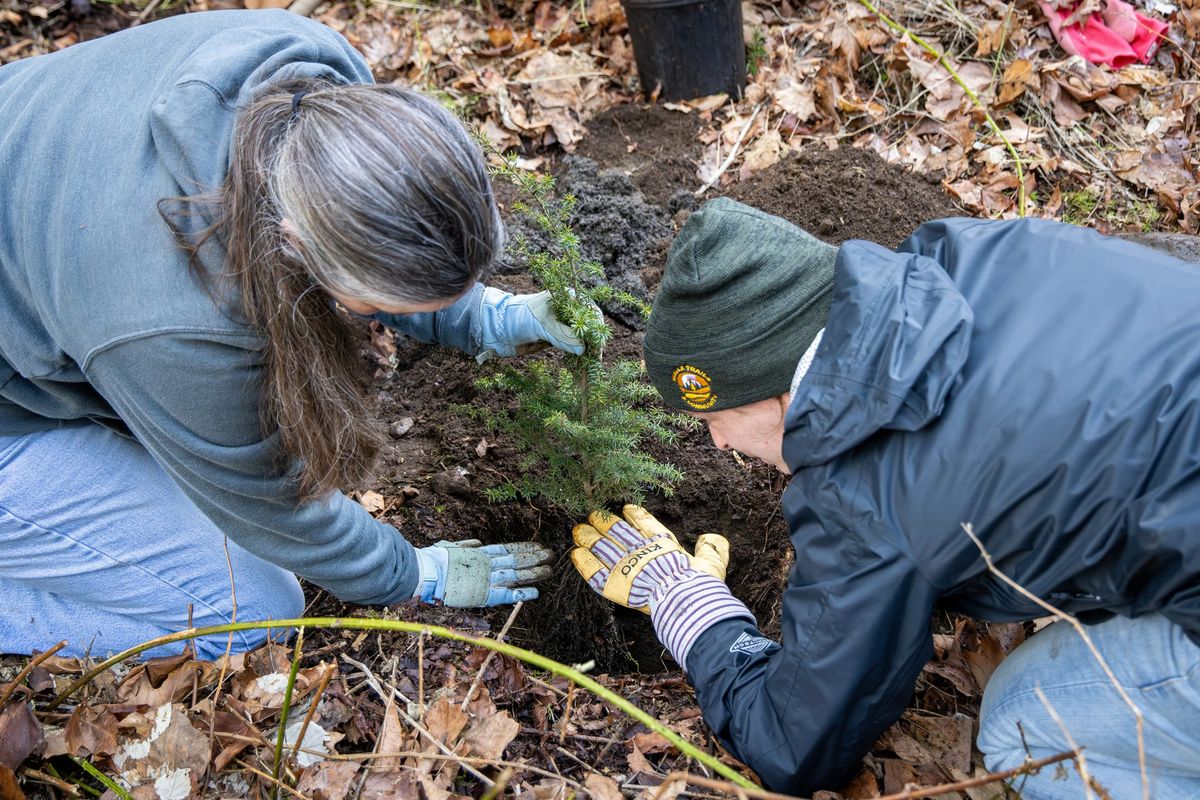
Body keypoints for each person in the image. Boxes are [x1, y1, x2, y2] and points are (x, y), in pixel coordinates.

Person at [571, 198, 1200, 799]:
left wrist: (687, 603)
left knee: (1024, 718)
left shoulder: (870, 499)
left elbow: (793, 747)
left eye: (717, 418)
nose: (716, 444)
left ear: (778, 396)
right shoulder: (970, 252)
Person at [0, 9, 572, 661]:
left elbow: (370, 243)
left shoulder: (315, 80)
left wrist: (489, 317)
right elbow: (268, 503)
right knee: (250, 615)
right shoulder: (178, 326)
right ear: (298, 245)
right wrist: (411, 574)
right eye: (380, 303)